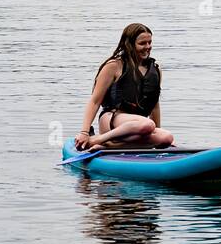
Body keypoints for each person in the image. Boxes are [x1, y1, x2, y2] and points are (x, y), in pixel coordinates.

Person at [74, 23, 175, 151]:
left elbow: (154, 106)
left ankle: (108, 146)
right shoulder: (113, 66)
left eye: (150, 42)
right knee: (148, 124)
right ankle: (98, 139)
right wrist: (84, 132)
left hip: (140, 127)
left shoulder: (155, 70)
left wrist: (157, 135)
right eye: (142, 43)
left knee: (167, 137)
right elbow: (94, 101)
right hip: (113, 120)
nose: (148, 47)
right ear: (129, 44)